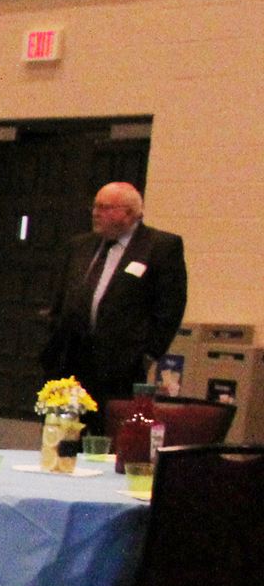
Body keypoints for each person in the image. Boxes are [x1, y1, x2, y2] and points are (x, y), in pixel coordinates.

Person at [42, 180, 188, 424]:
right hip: (70, 358)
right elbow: (61, 295)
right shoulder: (80, 246)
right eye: (95, 206)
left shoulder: (159, 247)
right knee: (63, 430)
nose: (95, 213)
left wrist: (148, 353)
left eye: (104, 207)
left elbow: (170, 307)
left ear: (129, 213)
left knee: (107, 431)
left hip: (120, 364)